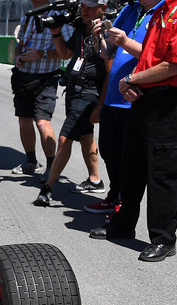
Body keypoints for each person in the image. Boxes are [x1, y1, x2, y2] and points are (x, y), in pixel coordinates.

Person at [89, 0, 177, 262]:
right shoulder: (162, 10)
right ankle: (123, 224)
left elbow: (176, 65)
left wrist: (130, 80)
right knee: (131, 167)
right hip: (142, 99)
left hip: (166, 103)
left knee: (161, 174)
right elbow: (147, 57)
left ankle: (163, 239)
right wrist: (131, 85)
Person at [84, 0, 165, 219]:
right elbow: (107, 53)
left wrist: (125, 41)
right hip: (113, 97)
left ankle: (124, 203)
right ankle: (114, 195)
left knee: (130, 159)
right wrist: (100, 36)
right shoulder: (131, 9)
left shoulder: (163, 10)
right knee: (110, 151)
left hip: (135, 99)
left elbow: (157, 56)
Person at [34, 0, 109, 207]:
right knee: (85, 136)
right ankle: (95, 180)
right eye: (83, 6)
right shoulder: (81, 27)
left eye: (90, 7)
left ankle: (48, 188)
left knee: (65, 138)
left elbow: (111, 71)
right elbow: (66, 54)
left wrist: (100, 105)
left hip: (89, 93)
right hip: (74, 90)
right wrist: (56, 33)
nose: (84, 10)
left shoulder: (107, 30)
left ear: (103, 7)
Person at [9, 0, 73, 177]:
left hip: (46, 77)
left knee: (42, 122)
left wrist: (41, 53)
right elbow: (21, 42)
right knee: (24, 121)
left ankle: (52, 166)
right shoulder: (29, 16)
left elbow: (68, 51)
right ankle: (30, 160)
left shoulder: (58, 17)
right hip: (24, 77)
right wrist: (18, 56)